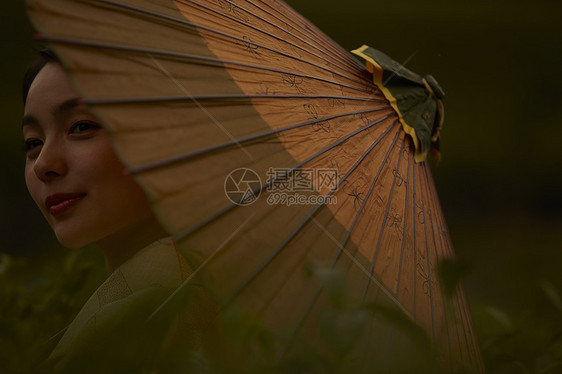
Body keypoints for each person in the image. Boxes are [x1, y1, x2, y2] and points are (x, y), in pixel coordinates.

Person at [23, 50, 216, 373]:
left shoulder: (156, 307)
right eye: (32, 143)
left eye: (81, 126)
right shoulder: (187, 284)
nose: (43, 164)